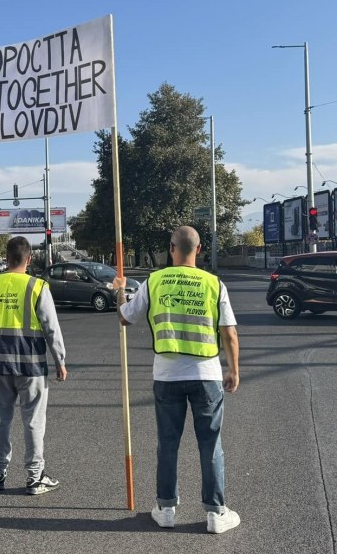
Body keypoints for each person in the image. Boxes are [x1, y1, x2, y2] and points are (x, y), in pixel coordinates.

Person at [112, 226, 240, 534]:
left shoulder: (155, 281)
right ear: (198, 250)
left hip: (167, 375)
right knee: (210, 445)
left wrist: (119, 289)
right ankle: (214, 513)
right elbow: (229, 332)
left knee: (168, 444)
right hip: (206, 374)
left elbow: (125, 316)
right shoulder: (214, 284)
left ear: (171, 248)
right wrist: (234, 370)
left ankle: (166, 508)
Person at [0, 236, 68, 495]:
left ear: (6, 259)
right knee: (33, 420)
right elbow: (51, 328)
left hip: (0, 365)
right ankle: (35, 477)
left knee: (1, 418)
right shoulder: (37, 286)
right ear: (29, 259)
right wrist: (60, 360)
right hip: (32, 366)